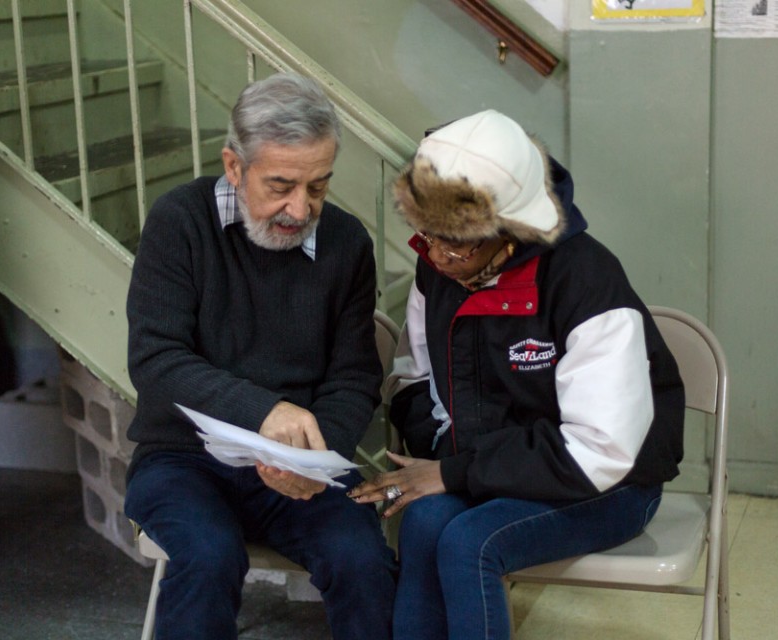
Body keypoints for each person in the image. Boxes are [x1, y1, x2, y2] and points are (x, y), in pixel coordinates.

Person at [349, 109, 685, 640]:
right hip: (492, 469)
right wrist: (444, 459)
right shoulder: (438, 267)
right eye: (426, 236)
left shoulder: (585, 281)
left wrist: (455, 475)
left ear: (511, 229)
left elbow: (599, 452)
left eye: (456, 241)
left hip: (608, 485)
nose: (438, 256)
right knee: (422, 522)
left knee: (470, 543)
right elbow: (415, 379)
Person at [123, 72, 397, 640]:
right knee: (207, 556)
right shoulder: (180, 221)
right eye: (280, 185)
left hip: (302, 465)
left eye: (318, 186)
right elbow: (156, 359)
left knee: (362, 559)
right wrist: (265, 412)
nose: (300, 208)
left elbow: (354, 375)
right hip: (182, 459)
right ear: (233, 167)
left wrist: (319, 459)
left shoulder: (346, 244)